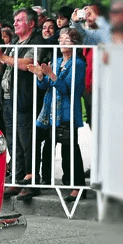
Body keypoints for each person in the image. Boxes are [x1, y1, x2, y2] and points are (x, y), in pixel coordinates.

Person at [27, 28, 87, 202]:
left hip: (66, 111)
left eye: (67, 40)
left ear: (75, 44)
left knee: (70, 148)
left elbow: (68, 90)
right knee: (38, 139)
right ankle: (36, 177)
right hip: (50, 110)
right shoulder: (57, 59)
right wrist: (40, 76)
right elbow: (46, 86)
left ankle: (77, 186)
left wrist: (51, 75)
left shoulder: (78, 64)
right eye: (61, 39)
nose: (62, 43)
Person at [0, 8, 44, 200]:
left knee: (27, 141)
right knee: (13, 141)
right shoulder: (16, 42)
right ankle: (17, 180)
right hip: (9, 98)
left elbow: (28, 63)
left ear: (31, 23)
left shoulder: (37, 41)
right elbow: (5, 63)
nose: (15, 23)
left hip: (25, 98)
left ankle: (31, 182)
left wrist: (3, 57)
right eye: (14, 20)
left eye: (19, 20)